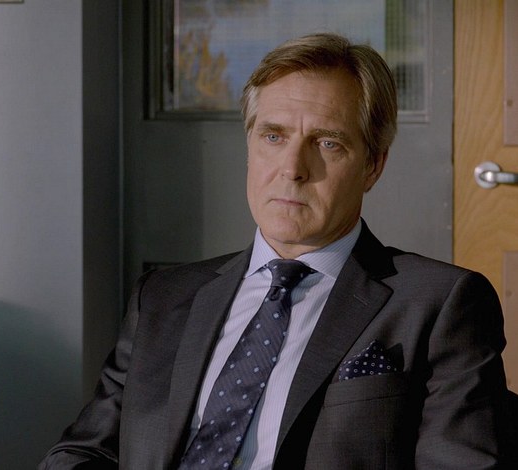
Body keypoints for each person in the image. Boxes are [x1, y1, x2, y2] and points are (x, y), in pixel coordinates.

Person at [39, 33, 515, 469]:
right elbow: (85, 450)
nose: (292, 168)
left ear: (373, 165)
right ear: (250, 147)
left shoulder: (439, 303)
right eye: (273, 136)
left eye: (327, 143)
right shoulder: (163, 297)